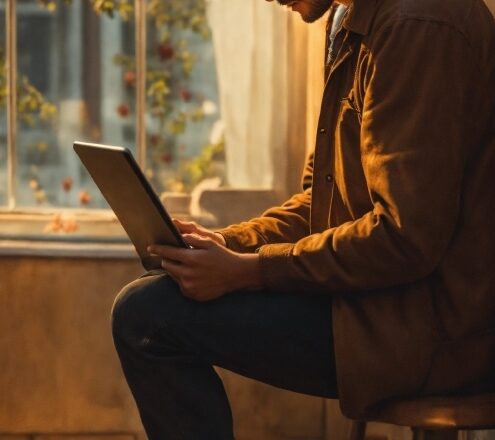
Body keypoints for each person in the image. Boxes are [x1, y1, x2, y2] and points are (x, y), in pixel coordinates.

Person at [111, 0, 495, 438]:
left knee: (146, 315)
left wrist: (252, 272)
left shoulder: (419, 25)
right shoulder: (350, 20)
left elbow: (403, 238)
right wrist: (225, 245)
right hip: (377, 306)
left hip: (434, 334)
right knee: (151, 297)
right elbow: (320, 204)